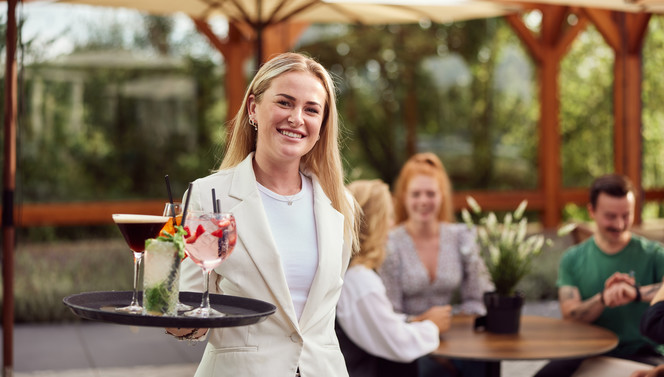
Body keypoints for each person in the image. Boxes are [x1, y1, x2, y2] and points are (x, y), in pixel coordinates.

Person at [166, 52, 359, 377]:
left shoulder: (340, 204)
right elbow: (184, 308)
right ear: (254, 108)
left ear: (322, 124)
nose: (297, 118)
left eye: (311, 109)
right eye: (285, 103)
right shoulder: (207, 196)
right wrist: (178, 319)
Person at [534, 174, 664, 377]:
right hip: (587, 350)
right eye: (611, 216)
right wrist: (604, 297)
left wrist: (634, 293)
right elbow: (571, 316)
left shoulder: (655, 254)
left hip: (644, 352)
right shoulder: (572, 259)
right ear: (591, 211)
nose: (620, 224)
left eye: (626, 215)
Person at [378, 152, 492, 377]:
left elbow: (480, 297)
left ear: (442, 197)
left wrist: (456, 324)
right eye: (416, 194)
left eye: (430, 193)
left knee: (484, 362)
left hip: (455, 340)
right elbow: (389, 313)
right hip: (410, 345)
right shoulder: (390, 244)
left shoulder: (461, 236)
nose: (423, 201)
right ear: (404, 197)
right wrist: (424, 326)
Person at [336, 179, 452, 377]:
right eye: (388, 217)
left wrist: (413, 320)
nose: (392, 224)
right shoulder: (360, 281)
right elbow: (398, 343)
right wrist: (432, 326)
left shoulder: (348, 271)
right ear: (375, 223)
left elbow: (376, 323)